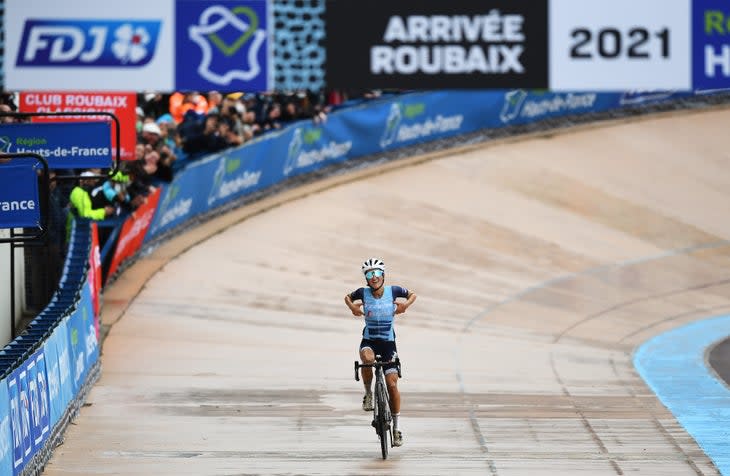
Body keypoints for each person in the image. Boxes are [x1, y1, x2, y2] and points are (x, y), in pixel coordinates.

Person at [344, 257, 417, 447]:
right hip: (369, 340)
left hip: (388, 344)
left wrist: (405, 305)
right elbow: (347, 297)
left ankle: (396, 429)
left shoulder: (393, 291)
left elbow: (413, 294)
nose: (374, 277)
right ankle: (369, 394)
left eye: (377, 273)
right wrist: (352, 307)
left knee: (392, 385)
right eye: (369, 274)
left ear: (383, 275)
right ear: (366, 278)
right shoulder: (363, 293)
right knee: (366, 359)